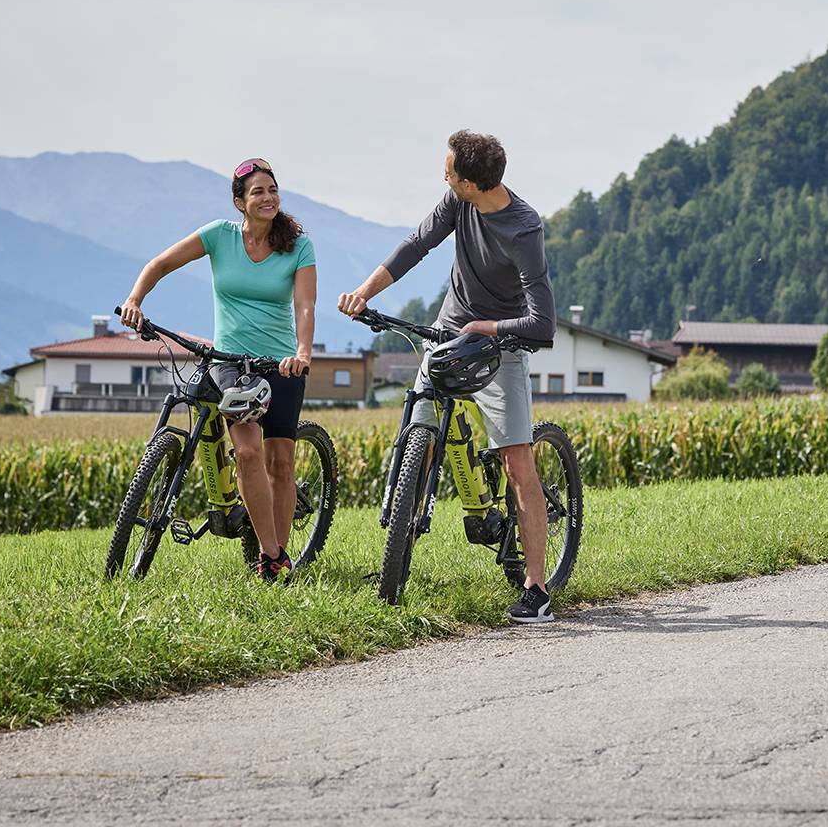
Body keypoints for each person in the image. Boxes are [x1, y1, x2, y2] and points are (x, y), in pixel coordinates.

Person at [337, 130, 559, 623]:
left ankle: (537, 588)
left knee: (517, 463)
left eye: (450, 169)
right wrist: (364, 292)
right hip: (448, 332)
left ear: (472, 183)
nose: (443, 174)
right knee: (421, 429)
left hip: (502, 346)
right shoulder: (457, 203)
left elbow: (543, 323)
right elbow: (416, 244)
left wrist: (491, 327)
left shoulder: (523, 228)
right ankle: (397, 556)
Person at [119, 158, 316, 582]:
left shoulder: (298, 244)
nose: (267, 198)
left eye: (272, 190)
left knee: (281, 462)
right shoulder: (218, 236)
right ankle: (268, 553)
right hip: (232, 363)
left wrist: (302, 350)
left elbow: (304, 304)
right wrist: (136, 300)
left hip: (281, 364)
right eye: (257, 192)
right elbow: (160, 264)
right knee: (248, 452)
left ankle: (280, 557)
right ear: (239, 203)